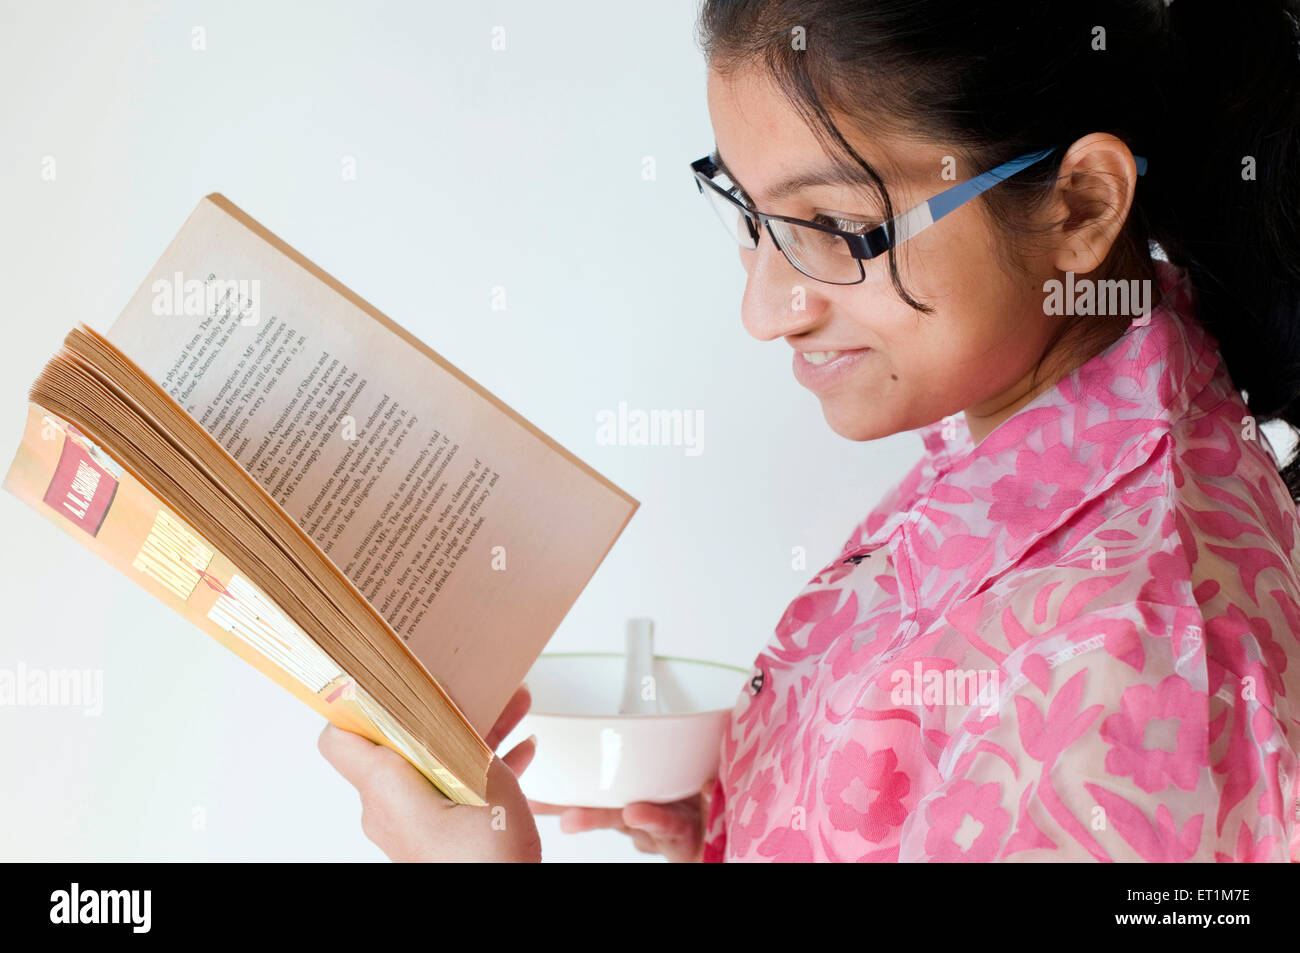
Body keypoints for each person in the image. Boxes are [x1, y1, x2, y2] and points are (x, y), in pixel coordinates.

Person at [318, 0, 1300, 861]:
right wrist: (773, 816)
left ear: (1079, 206)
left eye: (830, 228)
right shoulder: (1047, 442)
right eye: (749, 214)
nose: (765, 308)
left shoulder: (1124, 667)